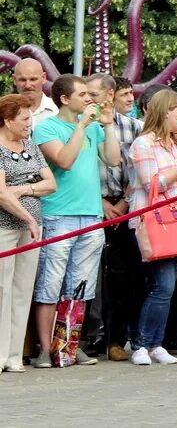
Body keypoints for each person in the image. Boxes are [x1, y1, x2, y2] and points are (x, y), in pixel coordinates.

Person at [32, 74, 120, 368]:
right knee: (50, 285)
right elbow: (64, 161)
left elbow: (113, 159)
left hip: (90, 215)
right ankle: (45, 348)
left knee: (80, 287)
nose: (89, 99)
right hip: (59, 215)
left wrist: (108, 126)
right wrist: (82, 126)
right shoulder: (47, 128)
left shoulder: (93, 127)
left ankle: (68, 345)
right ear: (64, 99)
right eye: (83, 94)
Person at [127, 89, 177, 365]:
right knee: (162, 285)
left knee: (168, 288)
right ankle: (141, 343)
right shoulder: (143, 145)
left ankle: (154, 343)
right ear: (165, 112)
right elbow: (153, 184)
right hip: (153, 222)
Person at [90, 74, 145, 362]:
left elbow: (140, 170)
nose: (89, 98)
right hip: (92, 204)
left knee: (125, 277)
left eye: (94, 93)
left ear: (109, 96)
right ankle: (89, 337)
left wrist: (123, 202)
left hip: (126, 206)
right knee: (90, 277)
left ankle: (118, 339)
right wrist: (100, 201)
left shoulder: (135, 127)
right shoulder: (82, 125)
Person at [0, 94, 55, 373]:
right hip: (5, 228)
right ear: (8, 121)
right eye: (23, 119)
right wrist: (26, 217)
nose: (29, 123)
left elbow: (50, 183)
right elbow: (0, 193)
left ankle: (13, 356)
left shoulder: (31, 146)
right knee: (2, 289)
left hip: (32, 227)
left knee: (22, 290)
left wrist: (23, 189)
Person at [13, 59, 58, 126]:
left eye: (33, 79)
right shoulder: (4, 112)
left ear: (43, 78)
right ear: (14, 80)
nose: (27, 85)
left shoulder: (57, 110)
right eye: (22, 80)